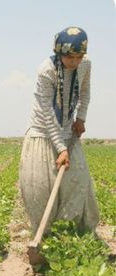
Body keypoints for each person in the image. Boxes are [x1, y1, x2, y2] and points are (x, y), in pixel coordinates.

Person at [19, 26, 99, 236]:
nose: (74, 62)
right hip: (42, 133)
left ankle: (70, 236)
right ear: (59, 52)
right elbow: (47, 114)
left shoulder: (85, 65)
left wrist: (80, 118)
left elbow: (85, 92)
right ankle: (44, 238)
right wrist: (61, 148)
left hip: (67, 132)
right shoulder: (47, 70)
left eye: (79, 56)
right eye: (70, 57)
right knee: (42, 190)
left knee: (77, 182)